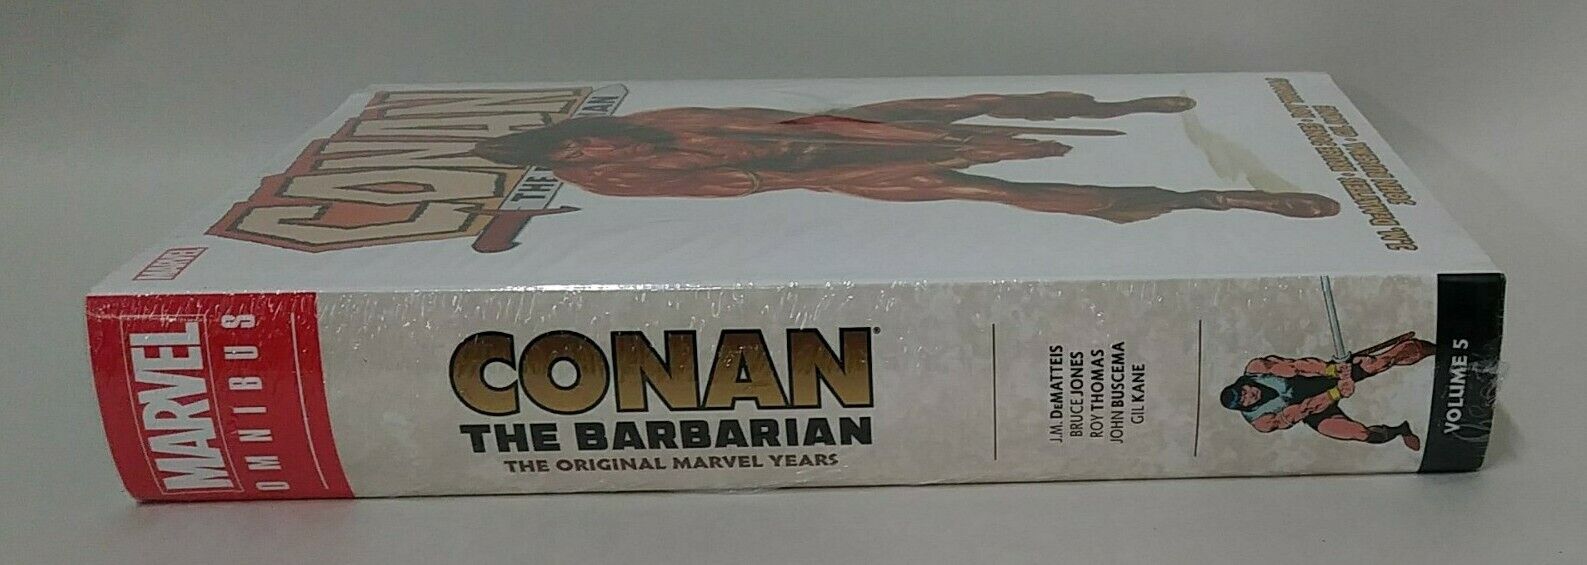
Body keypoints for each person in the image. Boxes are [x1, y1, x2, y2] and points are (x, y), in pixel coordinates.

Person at [472, 91, 1340, 224]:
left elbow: (778, 119)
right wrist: (919, 160)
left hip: (827, 129)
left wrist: (901, 134)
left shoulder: (654, 119)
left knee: (957, 106)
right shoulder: (609, 174)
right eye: (568, 148)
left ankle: (1115, 105)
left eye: (574, 136)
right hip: (817, 167)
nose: (587, 143)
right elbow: (748, 176)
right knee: (986, 192)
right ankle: (1213, 203)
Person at [1221, 336, 1436, 450]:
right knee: (1359, 434)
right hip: (1314, 411)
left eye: (1245, 391)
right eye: (1245, 400)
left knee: (1378, 363)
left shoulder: (1257, 368)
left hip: (1317, 378)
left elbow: (1297, 367)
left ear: (1242, 384)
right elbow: (1302, 410)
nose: (1250, 395)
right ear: (1244, 408)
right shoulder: (1261, 422)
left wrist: (1333, 371)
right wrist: (1335, 393)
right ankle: (1401, 430)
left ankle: (1437, 349)